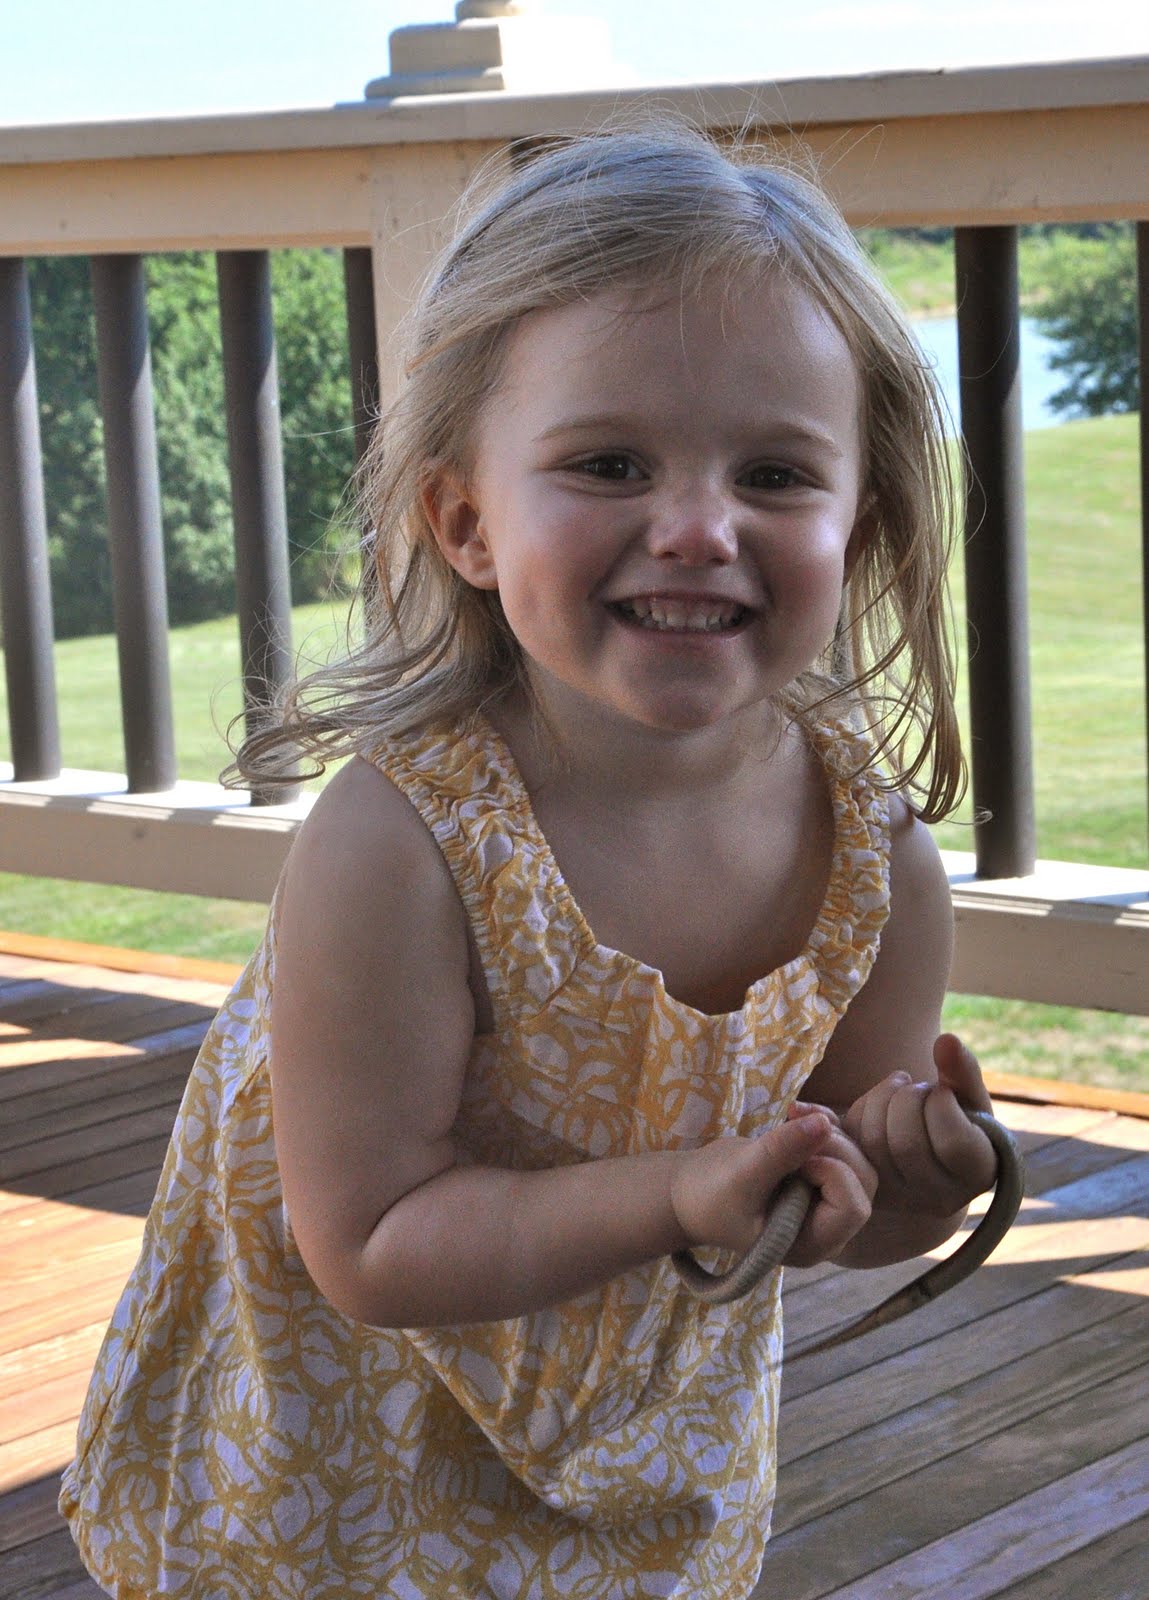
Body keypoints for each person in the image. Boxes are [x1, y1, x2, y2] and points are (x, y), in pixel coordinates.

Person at [61, 124, 999, 1599]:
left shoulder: (873, 867)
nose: (696, 528)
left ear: (855, 523)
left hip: (639, 1474)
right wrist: (678, 1193)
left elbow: (828, 1215)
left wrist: (916, 1184)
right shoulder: (404, 839)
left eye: (773, 473)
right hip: (341, 1474)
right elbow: (371, 1242)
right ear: (466, 521)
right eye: (608, 463)